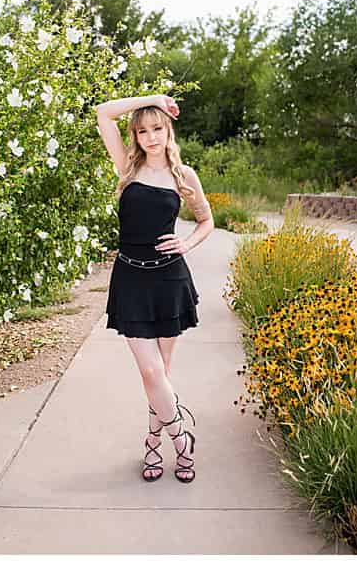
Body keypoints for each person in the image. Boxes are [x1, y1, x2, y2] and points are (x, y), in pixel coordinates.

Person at [93, 93, 213, 484]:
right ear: (135, 135)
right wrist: (153, 99)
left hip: (168, 279)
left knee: (159, 373)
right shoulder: (127, 166)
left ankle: (151, 444)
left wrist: (188, 242)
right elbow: (102, 112)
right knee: (150, 369)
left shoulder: (184, 176)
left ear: (168, 130)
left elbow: (205, 221)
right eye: (142, 131)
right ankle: (181, 438)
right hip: (131, 279)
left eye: (157, 128)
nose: (151, 137)